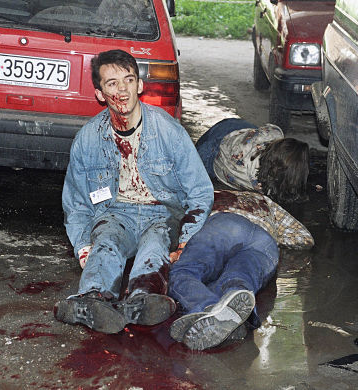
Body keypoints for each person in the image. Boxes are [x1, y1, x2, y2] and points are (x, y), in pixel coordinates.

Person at [55, 49, 214, 334]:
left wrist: (185, 241)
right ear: (100, 94)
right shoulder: (88, 139)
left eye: (128, 80)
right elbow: (77, 205)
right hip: (116, 213)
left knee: (155, 246)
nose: (122, 90)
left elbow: (200, 191)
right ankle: (91, 300)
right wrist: (82, 247)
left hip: (161, 213)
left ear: (140, 86)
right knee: (105, 243)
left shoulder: (169, 131)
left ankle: (142, 299)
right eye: (112, 83)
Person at [168, 189, 314, 350]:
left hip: (226, 225)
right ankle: (235, 305)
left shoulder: (207, 193)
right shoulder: (263, 199)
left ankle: (208, 308)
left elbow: (184, 224)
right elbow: (303, 238)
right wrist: (273, 235)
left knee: (183, 272)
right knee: (238, 278)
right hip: (265, 243)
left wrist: (179, 249)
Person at [195, 118, 309, 205]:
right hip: (214, 149)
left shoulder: (274, 135)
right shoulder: (254, 182)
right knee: (192, 171)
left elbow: (274, 129)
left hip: (236, 127)